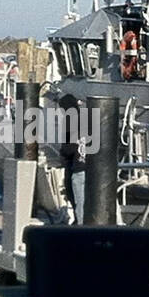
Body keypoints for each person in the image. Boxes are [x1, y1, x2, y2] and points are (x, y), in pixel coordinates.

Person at [57, 94, 86, 223]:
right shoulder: (87, 119)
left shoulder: (70, 121)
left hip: (77, 166)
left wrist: (62, 153)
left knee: (78, 199)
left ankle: (80, 227)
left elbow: (69, 148)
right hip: (91, 166)